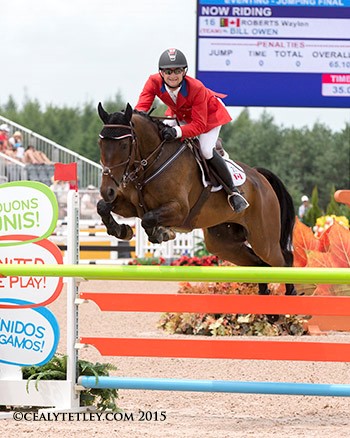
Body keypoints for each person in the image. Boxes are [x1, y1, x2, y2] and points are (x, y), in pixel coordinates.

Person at [135, 48, 249, 213]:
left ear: (184, 71)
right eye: (168, 71)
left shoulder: (196, 87)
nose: (172, 75)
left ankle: (233, 192)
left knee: (205, 150)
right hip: (180, 114)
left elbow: (199, 126)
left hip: (209, 116)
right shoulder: (153, 82)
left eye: (177, 70)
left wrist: (177, 132)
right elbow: (141, 111)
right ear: (161, 73)